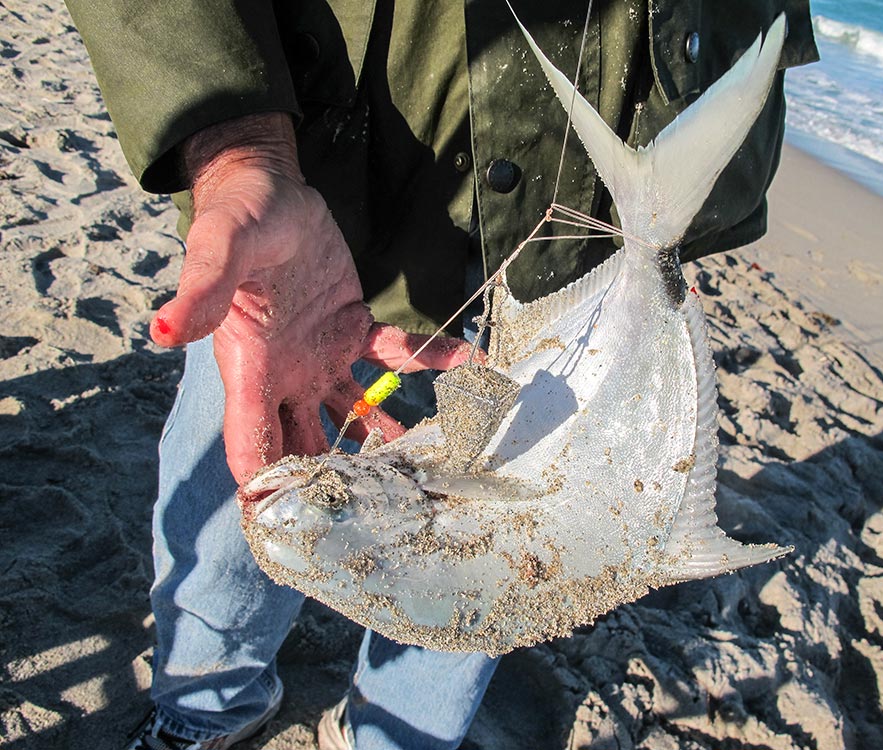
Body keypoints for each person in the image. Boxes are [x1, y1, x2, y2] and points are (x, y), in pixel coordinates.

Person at [65, 1, 817, 748]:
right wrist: (239, 147)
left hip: (601, 156)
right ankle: (207, 702)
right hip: (337, 179)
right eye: (331, 496)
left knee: (493, 586)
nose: (314, 491)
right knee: (237, 458)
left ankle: (395, 737)